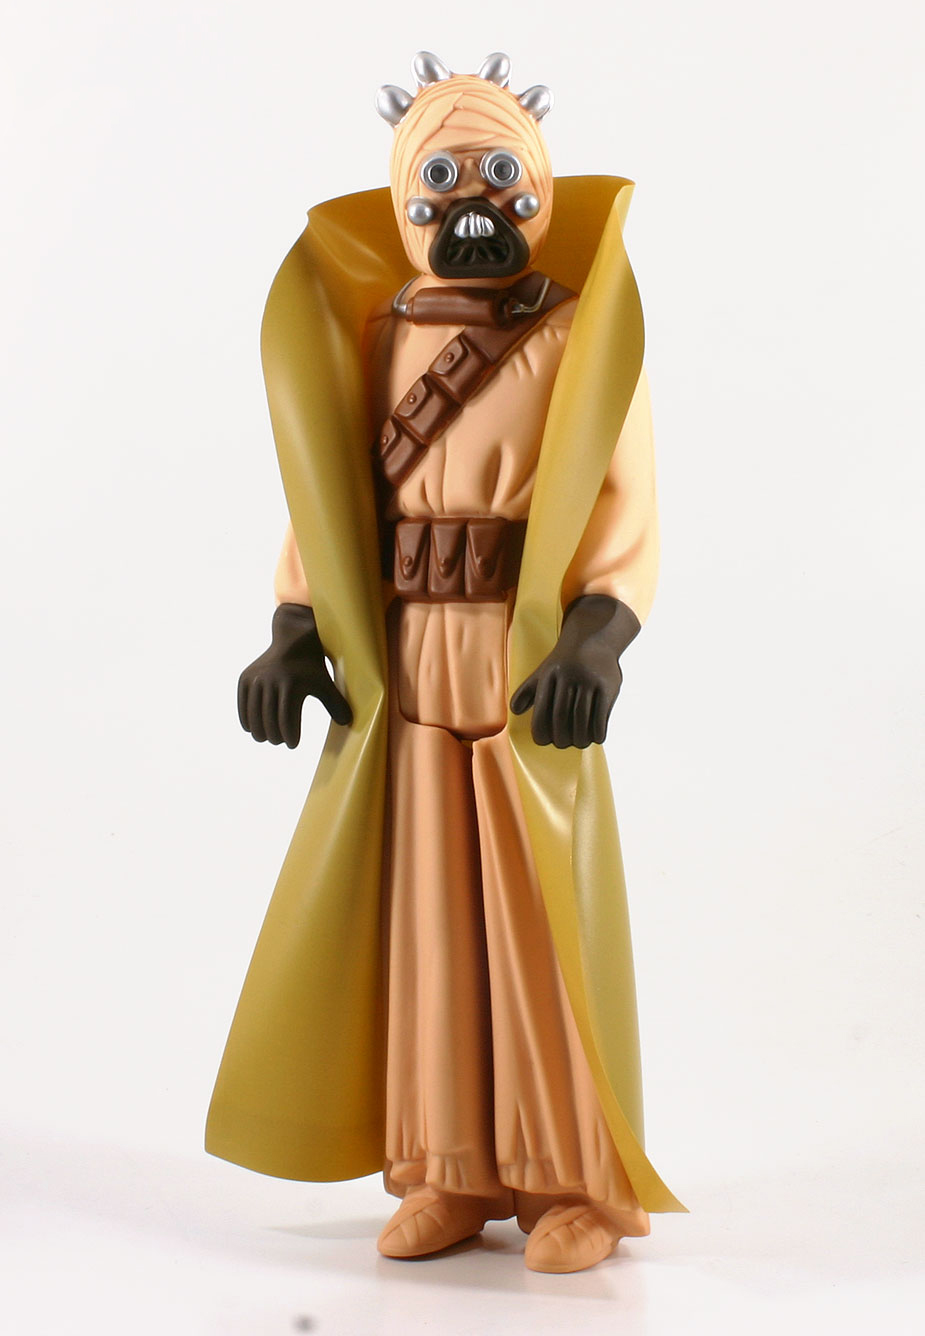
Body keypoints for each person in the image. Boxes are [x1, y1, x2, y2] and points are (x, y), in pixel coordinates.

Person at [207, 51, 683, 1275]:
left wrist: (597, 638)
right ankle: (450, 1166)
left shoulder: (582, 336)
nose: (474, 207)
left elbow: (625, 504)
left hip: (524, 666)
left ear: (539, 186)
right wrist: (293, 630)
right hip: (410, 664)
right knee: (430, 924)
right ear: (404, 196)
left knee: (540, 924)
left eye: (500, 178)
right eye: (442, 180)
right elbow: (331, 505)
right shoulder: (377, 339)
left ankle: (572, 1179)